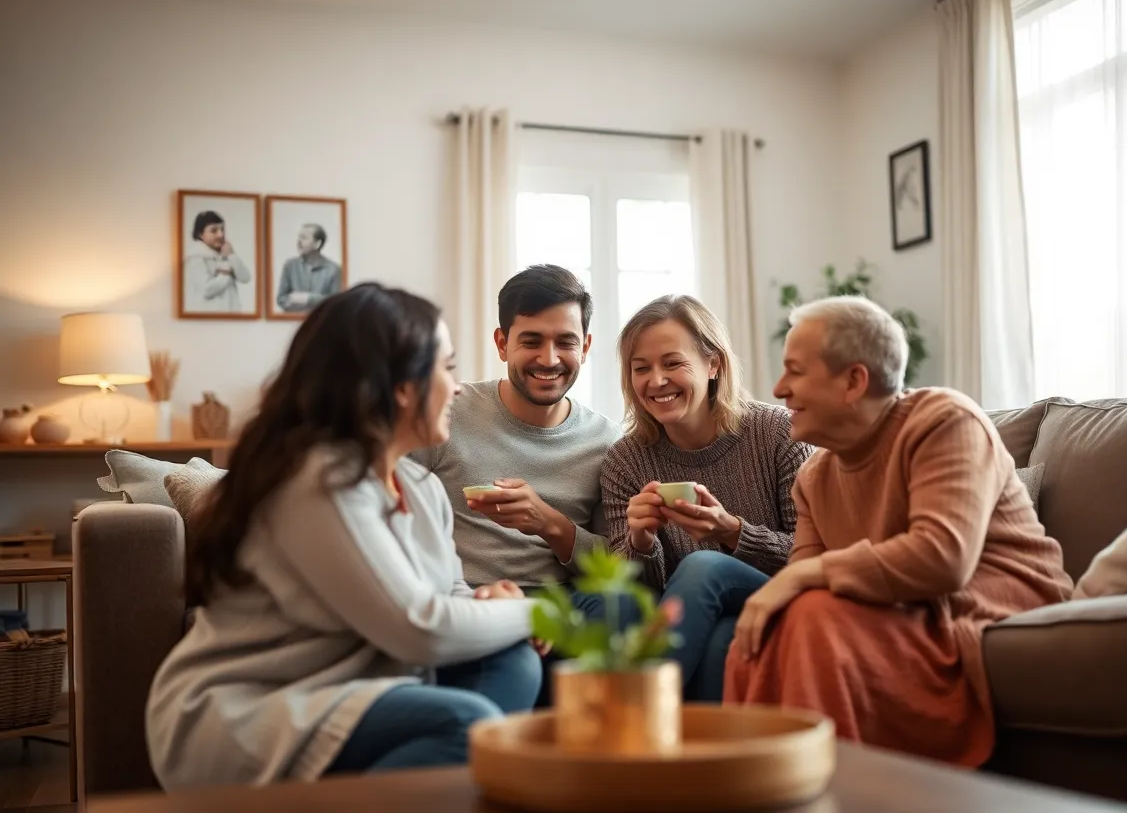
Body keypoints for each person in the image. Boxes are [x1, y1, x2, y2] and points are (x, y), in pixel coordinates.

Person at [145, 283, 542, 790]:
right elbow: (419, 626)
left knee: (514, 659)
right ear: (402, 385)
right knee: (463, 723)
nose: (459, 387)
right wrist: (534, 610)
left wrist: (489, 599)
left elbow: (448, 596)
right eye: (446, 367)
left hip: (365, 691)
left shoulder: (420, 486)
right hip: (254, 709)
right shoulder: (317, 480)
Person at [726, 296, 1073, 767]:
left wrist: (801, 580)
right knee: (766, 630)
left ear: (854, 381)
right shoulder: (815, 477)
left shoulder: (945, 420)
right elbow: (802, 582)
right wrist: (788, 591)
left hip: (993, 601)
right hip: (898, 607)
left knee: (811, 616)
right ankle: (759, 785)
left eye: (795, 371)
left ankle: (828, 787)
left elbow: (942, 557)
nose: (779, 388)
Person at [600, 295, 811, 701]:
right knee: (719, 647)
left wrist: (733, 533)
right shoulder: (625, 461)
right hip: (699, 617)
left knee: (704, 565)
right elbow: (632, 597)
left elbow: (813, 554)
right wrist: (640, 542)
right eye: (640, 368)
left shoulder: (778, 434)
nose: (655, 380)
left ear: (713, 364)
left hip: (781, 597)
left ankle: (631, 714)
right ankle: (692, 758)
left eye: (672, 363)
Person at [413, 264, 620, 601]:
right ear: (502, 343)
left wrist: (549, 523)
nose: (549, 359)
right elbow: (388, 509)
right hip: (467, 598)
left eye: (565, 342)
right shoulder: (447, 412)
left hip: (565, 605)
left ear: (585, 347)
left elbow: (615, 561)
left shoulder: (606, 441)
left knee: (625, 605)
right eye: (532, 341)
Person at [183, 210, 253, 313]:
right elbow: (207, 290)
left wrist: (232, 255)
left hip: (233, 319)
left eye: (222, 229)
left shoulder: (226, 254)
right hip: (208, 321)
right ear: (200, 234)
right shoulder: (195, 258)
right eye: (214, 231)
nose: (221, 234)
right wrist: (228, 274)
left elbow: (245, 278)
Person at [276, 223, 342, 312]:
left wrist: (308, 298)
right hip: (293, 321)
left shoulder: (333, 269)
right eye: (299, 237)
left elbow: (336, 302)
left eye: (304, 238)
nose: (299, 241)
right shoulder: (290, 265)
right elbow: (281, 299)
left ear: (317, 244)